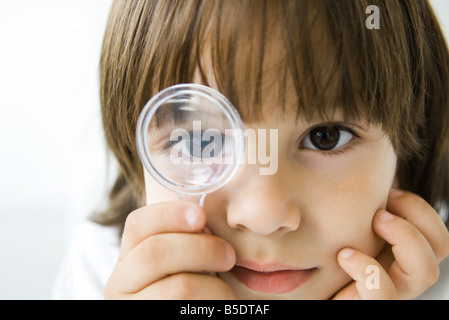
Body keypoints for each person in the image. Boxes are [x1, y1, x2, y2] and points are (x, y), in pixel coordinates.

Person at [53, 0, 449, 300]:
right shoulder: (97, 276)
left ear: (409, 151)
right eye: (199, 142)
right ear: (136, 157)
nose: (263, 216)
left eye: (326, 136)